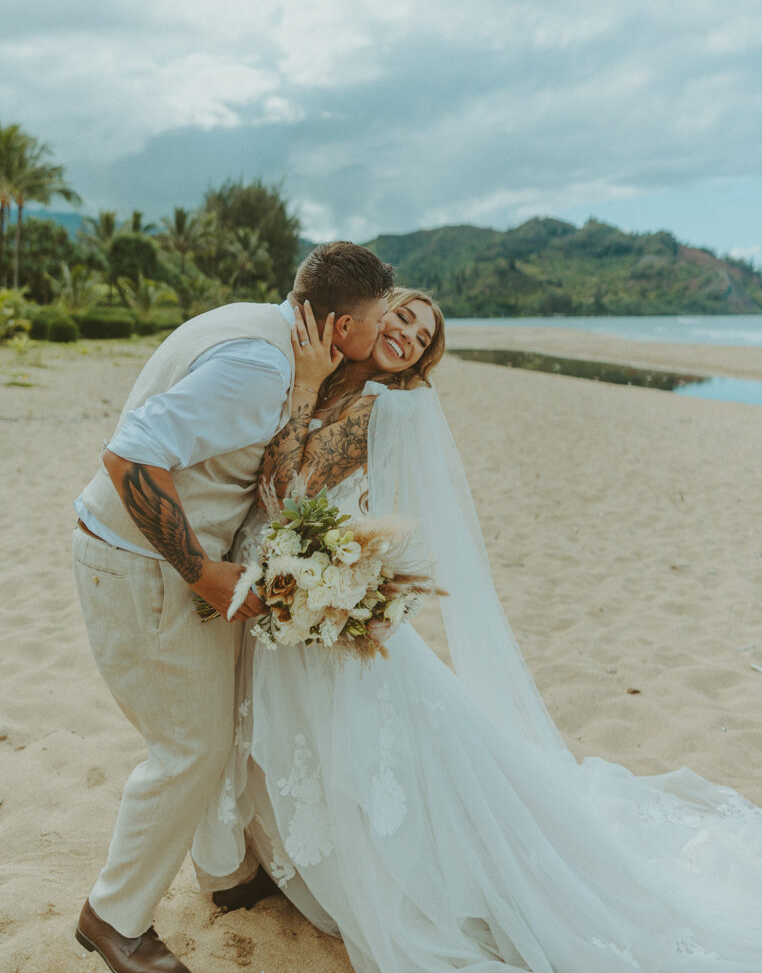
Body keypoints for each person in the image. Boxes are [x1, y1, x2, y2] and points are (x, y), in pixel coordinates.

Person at [195, 289, 762, 973]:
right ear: (372, 318)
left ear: (421, 360)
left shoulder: (377, 405)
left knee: (368, 759)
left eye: (422, 335)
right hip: (297, 593)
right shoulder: (341, 388)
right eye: (401, 316)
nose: (406, 333)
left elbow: (287, 490)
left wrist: (309, 386)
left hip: (312, 599)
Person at [71, 241, 395, 973]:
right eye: (376, 324)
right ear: (343, 329)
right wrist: (201, 573)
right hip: (143, 565)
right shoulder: (262, 366)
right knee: (191, 748)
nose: (382, 338)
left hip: (143, 557)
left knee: (205, 729)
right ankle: (112, 918)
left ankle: (227, 876)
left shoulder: (258, 325)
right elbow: (127, 456)